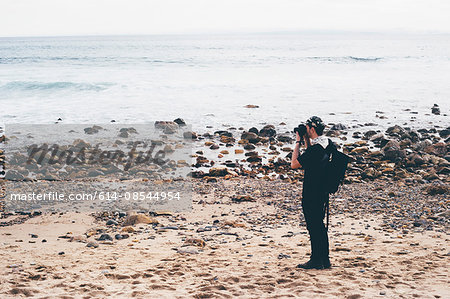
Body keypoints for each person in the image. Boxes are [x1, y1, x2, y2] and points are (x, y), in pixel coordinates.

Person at [291, 116, 331, 269]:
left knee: (313, 226)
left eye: (307, 128)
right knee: (320, 226)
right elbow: (312, 158)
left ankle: (316, 259)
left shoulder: (316, 149)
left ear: (312, 129)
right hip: (322, 190)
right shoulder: (327, 144)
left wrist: (297, 142)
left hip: (312, 191)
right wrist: (306, 140)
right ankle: (324, 259)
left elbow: (294, 164)